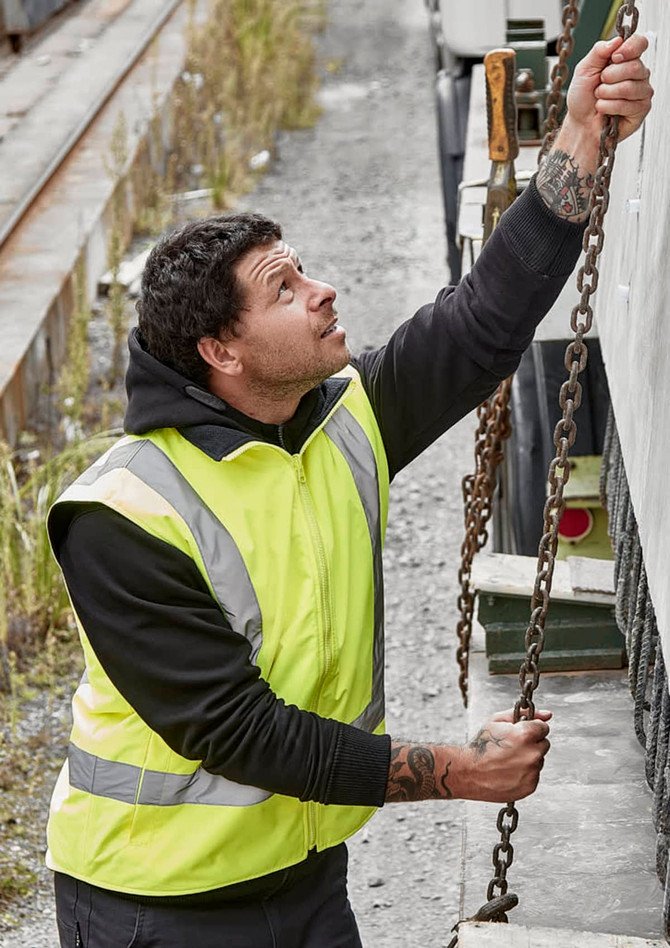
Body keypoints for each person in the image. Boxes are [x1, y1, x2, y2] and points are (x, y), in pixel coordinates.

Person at [47, 34, 653, 948]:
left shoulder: (341, 421)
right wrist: (456, 771)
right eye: (284, 287)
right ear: (222, 352)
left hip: (304, 880)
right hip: (151, 905)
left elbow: (482, 321)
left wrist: (579, 136)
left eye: (306, 268)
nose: (324, 291)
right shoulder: (122, 517)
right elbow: (242, 733)